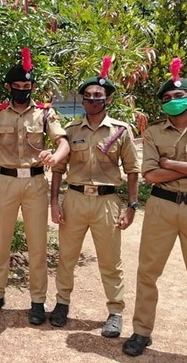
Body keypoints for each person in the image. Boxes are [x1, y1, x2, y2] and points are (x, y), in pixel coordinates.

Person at [122, 59, 187, 363]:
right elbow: (150, 175)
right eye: (167, 98)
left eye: (179, 96)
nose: (173, 101)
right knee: (148, 272)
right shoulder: (153, 133)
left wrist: (171, 164)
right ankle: (141, 332)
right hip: (161, 207)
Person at [0, 47, 69, 324]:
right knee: (0, 241)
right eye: (17, 86)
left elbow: (62, 142)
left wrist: (55, 157)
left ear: (33, 87)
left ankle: (38, 301)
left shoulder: (44, 114)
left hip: (35, 183)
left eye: (27, 87)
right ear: (9, 87)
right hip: (6, 182)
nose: (22, 91)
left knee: (37, 245)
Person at [49, 57, 140, 337]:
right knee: (67, 256)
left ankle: (115, 312)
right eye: (87, 96)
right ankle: (62, 304)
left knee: (110, 260)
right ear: (83, 100)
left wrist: (132, 205)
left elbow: (133, 170)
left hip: (107, 202)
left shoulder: (121, 131)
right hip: (74, 199)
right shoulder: (71, 131)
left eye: (98, 96)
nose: (92, 100)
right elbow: (59, 169)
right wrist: (54, 202)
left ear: (107, 99)